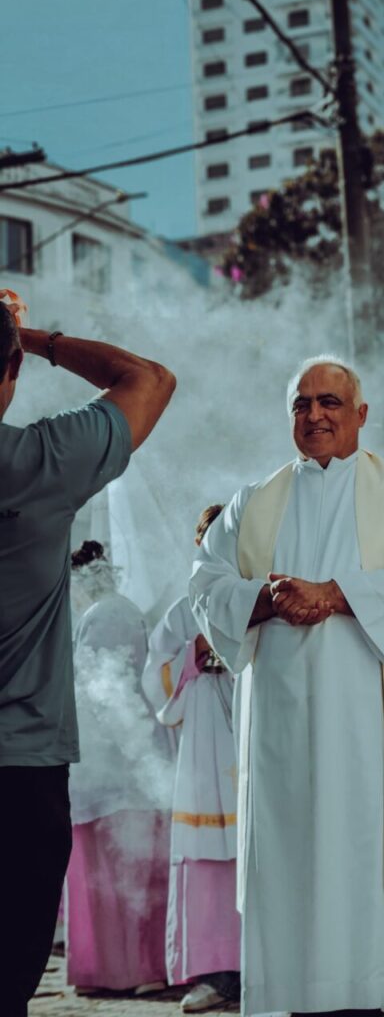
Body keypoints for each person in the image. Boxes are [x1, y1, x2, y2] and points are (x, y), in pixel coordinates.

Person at [189, 355, 384, 1017]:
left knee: (366, 860)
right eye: (302, 404)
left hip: (372, 729)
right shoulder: (254, 501)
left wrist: (336, 594)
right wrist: (266, 596)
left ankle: (370, 998)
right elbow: (203, 582)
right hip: (284, 735)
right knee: (293, 864)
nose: (315, 415)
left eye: (331, 402)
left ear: (361, 415)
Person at [0, 290, 175, 1017]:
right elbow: (148, 381)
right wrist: (31, 336)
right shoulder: (37, 461)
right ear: (8, 369)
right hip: (20, 773)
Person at [142, 505, 241, 1015]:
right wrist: (191, 657)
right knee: (207, 860)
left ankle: (265, 966)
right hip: (204, 751)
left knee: (254, 853)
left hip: (251, 745)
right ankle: (215, 973)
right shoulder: (182, 609)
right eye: (206, 538)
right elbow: (152, 674)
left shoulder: (258, 597)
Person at [66, 541, 171, 997]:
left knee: (123, 871)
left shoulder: (105, 615)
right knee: (121, 870)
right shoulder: (117, 611)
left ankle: (127, 968)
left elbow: (105, 694)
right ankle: (121, 968)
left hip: (117, 771)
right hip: (117, 768)